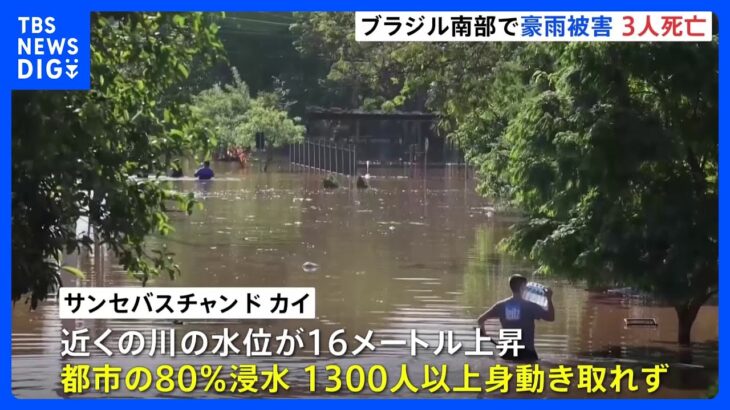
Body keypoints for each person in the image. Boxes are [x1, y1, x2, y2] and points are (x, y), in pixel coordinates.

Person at [476, 274, 554, 362]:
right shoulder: (531, 306)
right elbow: (551, 317)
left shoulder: (500, 306)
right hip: (527, 352)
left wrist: (483, 331)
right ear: (522, 287)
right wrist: (549, 298)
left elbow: (480, 320)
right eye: (526, 286)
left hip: (507, 352)